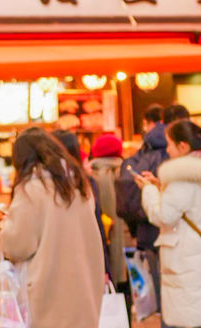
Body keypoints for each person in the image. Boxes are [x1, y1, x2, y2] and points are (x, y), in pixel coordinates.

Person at [0, 127, 104, 328]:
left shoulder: (32, 189)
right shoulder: (78, 184)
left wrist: (3, 228)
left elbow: (17, 246)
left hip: (49, 295)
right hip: (85, 292)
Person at [135, 120, 201, 328]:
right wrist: (161, 186)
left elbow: (164, 216)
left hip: (187, 264)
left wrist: (148, 191)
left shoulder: (182, 176)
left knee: (189, 322)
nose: (167, 150)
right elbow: (191, 204)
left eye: (170, 144)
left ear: (183, 146)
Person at [115, 103, 168, 323]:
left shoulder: (140, 156)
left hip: (148, 231)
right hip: (172, 232)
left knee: (160, 289)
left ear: (147, 124)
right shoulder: (172, 153)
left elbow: (127, 201)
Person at [52, 129, 112, 281]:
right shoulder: (84, 181)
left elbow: (96, 224)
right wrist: (104, 266)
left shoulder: (48, 183)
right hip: (84, 257)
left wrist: (104, 266)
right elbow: (96, 226)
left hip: (59, 261)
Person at [90, 134, 131, 322]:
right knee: (124, 294)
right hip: (127, 246)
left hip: (101, 248)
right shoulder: (128, 173)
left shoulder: (90, 177)